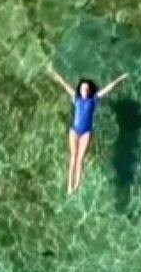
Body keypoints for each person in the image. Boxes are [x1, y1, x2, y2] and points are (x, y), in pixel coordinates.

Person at [47, 63, 128, 195]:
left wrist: (120, 79)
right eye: (83, 88)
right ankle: (69, 185)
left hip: (86, 132)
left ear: (89, 91)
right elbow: (64, 85)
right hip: (74, 130)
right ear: (80, 90)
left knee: (80, 158)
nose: (85, 89)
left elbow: (108, 89)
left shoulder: (93, 100)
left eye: (87, 88)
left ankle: (77, 185)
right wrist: (55, 74)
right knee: (73, 157)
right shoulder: (76, 98)